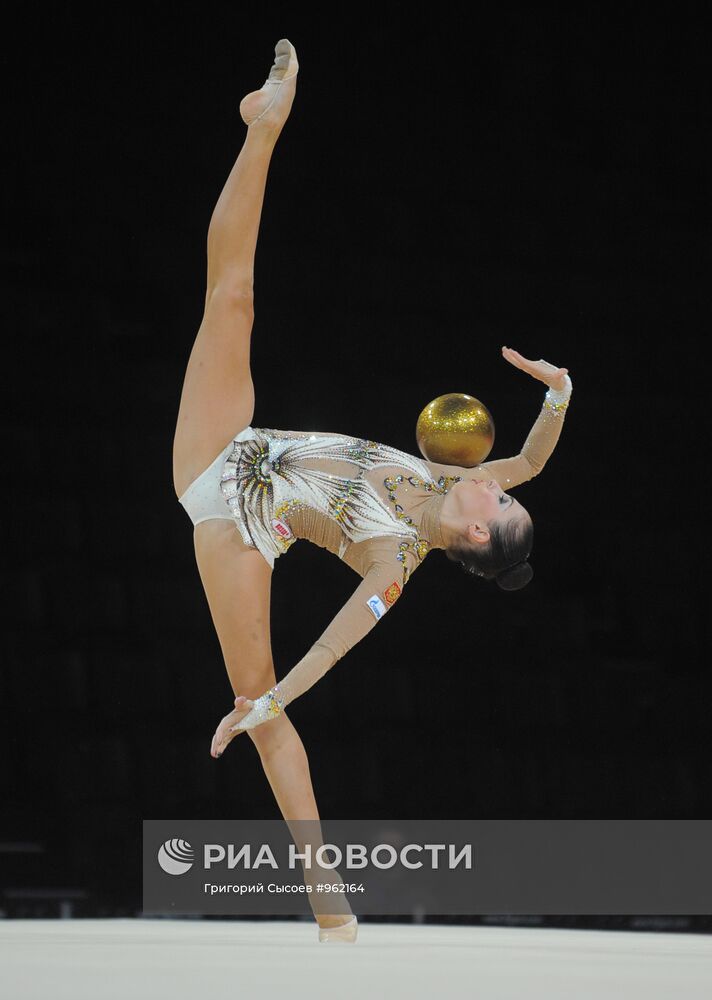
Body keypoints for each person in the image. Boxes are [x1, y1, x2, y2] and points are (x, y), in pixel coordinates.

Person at [172, 39, 572, 941]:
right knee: (232, 297)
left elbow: (334, 643)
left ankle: (330, 908)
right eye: (504, 491)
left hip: (230, 515)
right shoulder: (452, 476)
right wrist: (560, 395)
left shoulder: (396, 560)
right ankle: (264, 127)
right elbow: (535, 462)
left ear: (479, 535)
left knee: (260, 707)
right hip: (237, 438)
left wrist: (277, 698)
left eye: (504, 504)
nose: (500, 486)